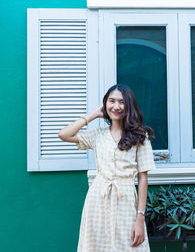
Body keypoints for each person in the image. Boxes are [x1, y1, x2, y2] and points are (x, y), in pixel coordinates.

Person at [58, 84, 156, 251]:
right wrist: (94, 114)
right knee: (96, 246)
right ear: (105, 105)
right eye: (111, 101)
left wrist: (140, 218)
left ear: (129, 106)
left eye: (121, 102)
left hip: (125, 198)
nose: (116, 106)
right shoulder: (97, 135)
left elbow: (143, 178)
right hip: (98, 198)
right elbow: (64, 134)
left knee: (129, 245)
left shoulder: (140, 136)